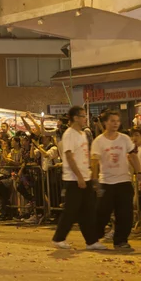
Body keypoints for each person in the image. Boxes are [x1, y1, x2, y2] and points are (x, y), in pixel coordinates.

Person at [52, 106, 106, 250]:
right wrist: (79, 177)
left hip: (85, 176)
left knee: (88, 210)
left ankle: (91, 241)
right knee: (71, 210)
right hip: (73, 178)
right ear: (75, 118)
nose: (85, 119)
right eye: (82, 116)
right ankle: (59, 238)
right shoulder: (69, 134)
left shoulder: (82, 134)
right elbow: (69, 156)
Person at [91, 110, 141, 249]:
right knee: (102, 212)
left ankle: (120, 240)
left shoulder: (124, 139)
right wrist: (95, 180)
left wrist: (140, 172)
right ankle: (94, 237)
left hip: (124, 181)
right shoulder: (98, 141)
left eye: (117, 121)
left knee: (125, 213)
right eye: (112, 121)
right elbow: (94, 162)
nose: (115, 124)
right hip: (106, 182)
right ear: (105, 122)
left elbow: (132, 156)